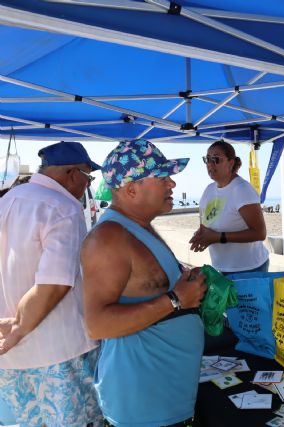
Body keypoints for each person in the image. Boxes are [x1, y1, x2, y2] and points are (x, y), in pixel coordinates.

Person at [81, 139, 207, 427]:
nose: (172, 185)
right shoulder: (109, 239)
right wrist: (176, 300)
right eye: (162, 178)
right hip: (142, 407)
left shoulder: (139, 227)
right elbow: (97, 324)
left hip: (165, 398)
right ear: (131, 189)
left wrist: (184, 279)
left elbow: (147, 284)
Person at [0, 141, 103, 426]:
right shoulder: (64, 208)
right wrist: (19, 329)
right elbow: (54, 284)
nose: (86, 185)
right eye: (88, 177)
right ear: (73, 173)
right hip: (59, 351)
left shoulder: (8, 199)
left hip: (9, 354)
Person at [190, 140, 269, 274]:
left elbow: (260, 233)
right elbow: (205, 224)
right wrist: (201, 236)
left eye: (216, 159)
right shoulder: (209, 190)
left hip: (249, 269)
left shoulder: (242, 190)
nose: (210, 164)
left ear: (231, 163)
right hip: (220, 268)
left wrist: (218, 237)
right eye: (207, 159)